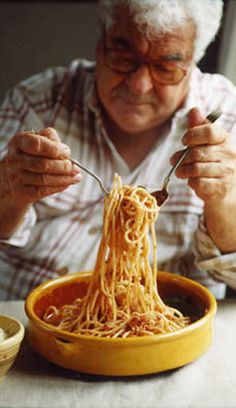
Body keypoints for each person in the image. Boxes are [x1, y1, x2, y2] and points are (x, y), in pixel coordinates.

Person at [0, 0, 236, 301]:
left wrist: (226, 199)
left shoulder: (226, 112)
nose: (139, 85)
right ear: (100, 45)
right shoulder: (37, 101)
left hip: (172, 327)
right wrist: (8, 188)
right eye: (124, 56)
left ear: (194, 62)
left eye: (166, 66)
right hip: (37, 318)